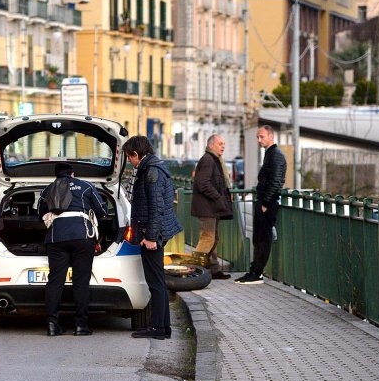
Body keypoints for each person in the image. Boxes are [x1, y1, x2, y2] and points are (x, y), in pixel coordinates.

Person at [37, 162, 108, 336]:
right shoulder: (86, 186)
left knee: (55, 281)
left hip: (56, 238)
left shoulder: (49, 189)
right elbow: (102, 210)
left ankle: (52, 325)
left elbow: (39, 213)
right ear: (73, 174)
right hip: (83, 237)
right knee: (81, 282)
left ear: (56, 175)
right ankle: (81, 326)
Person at [123, 135, 183, 340]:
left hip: (152, 235)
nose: (129, 162)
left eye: (129, 158)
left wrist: (150, 237)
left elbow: (156, 208)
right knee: (157, 281)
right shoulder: (153, 169)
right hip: (154, 233)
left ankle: (158, 327)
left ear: (136, 154)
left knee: (155, 283)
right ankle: (163, 327)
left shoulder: (151, 173)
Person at [235, 125, 287, 285]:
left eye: (261, 136)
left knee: (263, 239)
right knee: (258, 238)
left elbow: (276, 180)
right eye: (258, 137)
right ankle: (254, 271)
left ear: (271, 136)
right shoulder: (270, 154)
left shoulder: (276, 155)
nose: (259, 140)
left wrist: (265, 202)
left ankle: (256, 273)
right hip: (264, 201)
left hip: (267, 204)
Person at [190, 134, 234, 280]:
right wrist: (218, 197)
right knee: (208, 238)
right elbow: (203, 183)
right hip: (207, 206)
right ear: (211, 145)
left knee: (213, 238)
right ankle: (193, 269)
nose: (223, 146)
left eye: (224, 144)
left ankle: (213, 269)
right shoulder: (209, 160)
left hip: (211, 207)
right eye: (220, 143)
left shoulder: (214, 160)